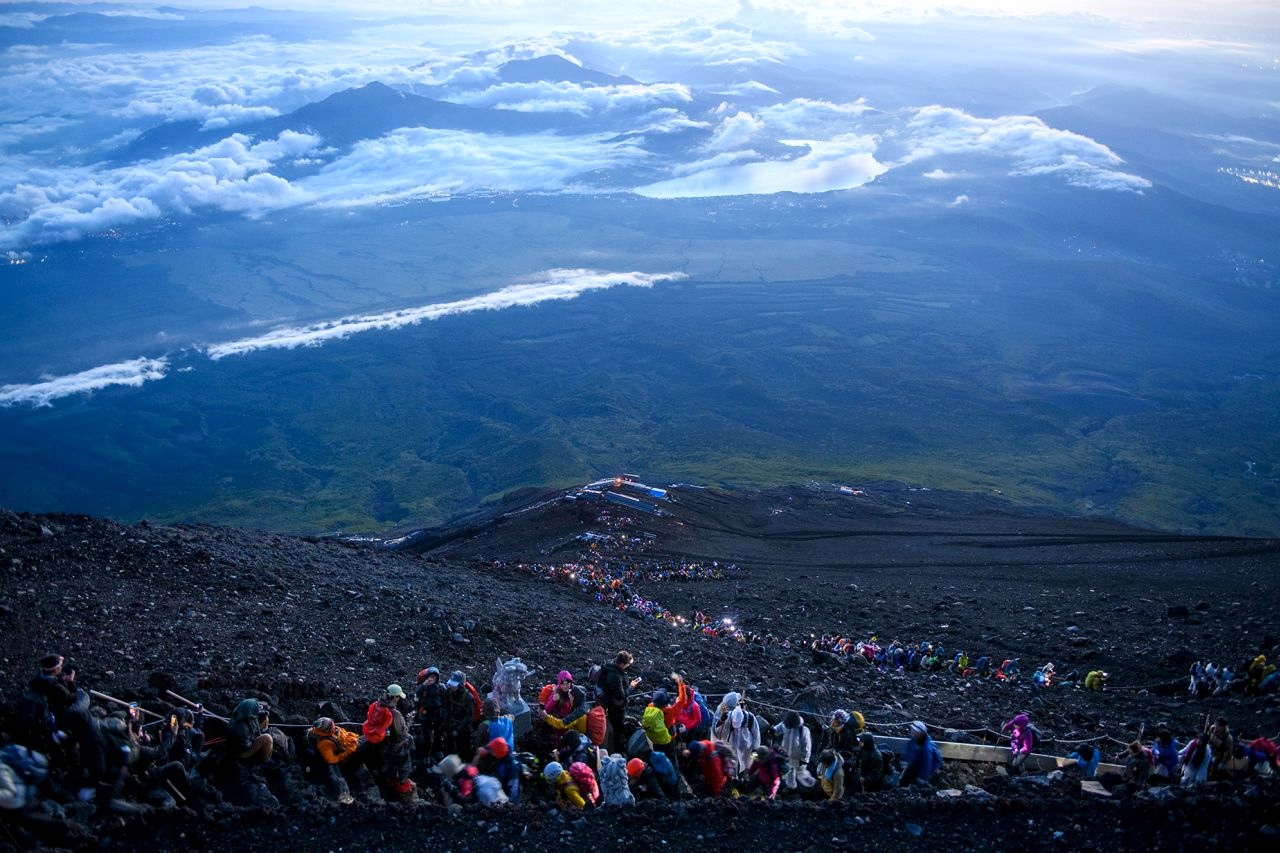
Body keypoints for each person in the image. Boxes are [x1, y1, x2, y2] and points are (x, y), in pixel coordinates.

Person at [307, 717, 359, 804]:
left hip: (343, 748)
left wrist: (354, 738)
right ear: (327, 729)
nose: (334, 725)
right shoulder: (324, 743)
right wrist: (346, 753)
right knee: (337, 777)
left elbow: (345, 734)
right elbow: (331, 760)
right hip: (332, 760)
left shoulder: (335, 730)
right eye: (331, 725)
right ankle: (344, 798)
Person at [598, 651, 641, 752]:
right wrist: (631, 686)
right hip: (616, 708)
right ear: (622, 663)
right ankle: (616, 749)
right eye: (628, 664)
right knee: (617, 729)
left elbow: (619, 685)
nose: (629, 666)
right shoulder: (615, 676)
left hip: (612, 705)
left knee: (615, 727)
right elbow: (621, 695)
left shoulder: (613, 667)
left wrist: (629, 681)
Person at [711, 692, 760, 779]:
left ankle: (742, 780)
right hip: (732, 747)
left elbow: (756, 737)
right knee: (732, 767)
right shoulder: (728, 716)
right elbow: (717, 731)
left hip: (746, 749)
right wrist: (720, 722)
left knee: (745, 767)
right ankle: (732, 780)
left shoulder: (751, 719)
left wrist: (755, 752)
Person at [441, 671, 482, 761]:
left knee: (464, 748)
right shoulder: (448, 692)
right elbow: (445, 707)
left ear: (460, 685)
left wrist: (458, 729)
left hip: (463, 728)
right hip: (451, 724)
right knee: (450, 745)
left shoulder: (469, 697)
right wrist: (445, 721)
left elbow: (468, 717)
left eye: (454, 685)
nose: (451, 686)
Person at [472, 736, 521, 803]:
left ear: (497, 752)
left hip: (507, 794)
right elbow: (490, 749)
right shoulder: (503, 751)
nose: (491, 752)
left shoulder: (511, 767)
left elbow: (514, 789)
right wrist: (482, 751)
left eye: (492, 751)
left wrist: (509, 804)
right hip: (500, 784)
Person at [773, 711, 814, 790]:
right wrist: (773, 730)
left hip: (798, 757)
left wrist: (804, 759)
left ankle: (810, 786)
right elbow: (778, 728)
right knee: (790, 774)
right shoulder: (785, 724)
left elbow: (807, 746)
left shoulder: (803, 730)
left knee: (801, 773)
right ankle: (791, 789)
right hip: (786, 755)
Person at [413, 667, 445, 763]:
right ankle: (426, 755)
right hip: (425, 716)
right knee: (427, 737)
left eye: (434, 677)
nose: (432, 678)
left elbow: (446, 699)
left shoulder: (441, 687)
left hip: (437, 715)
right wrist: (423, 685)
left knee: (438, 735)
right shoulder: (423, 687)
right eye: (430, 676)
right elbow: (417, 694)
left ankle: (437, 750)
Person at [899, 721, 942, 787]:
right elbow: (909, 751)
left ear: (920, 733)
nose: (912, 732)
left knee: (920, 783)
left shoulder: (926, 748)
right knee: (906, 776)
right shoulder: (913, 740)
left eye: (914, 731)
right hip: (916, 763)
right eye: (912, 730)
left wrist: (922, 777)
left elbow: (927, 764)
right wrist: (905, 762)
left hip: (928, 768)